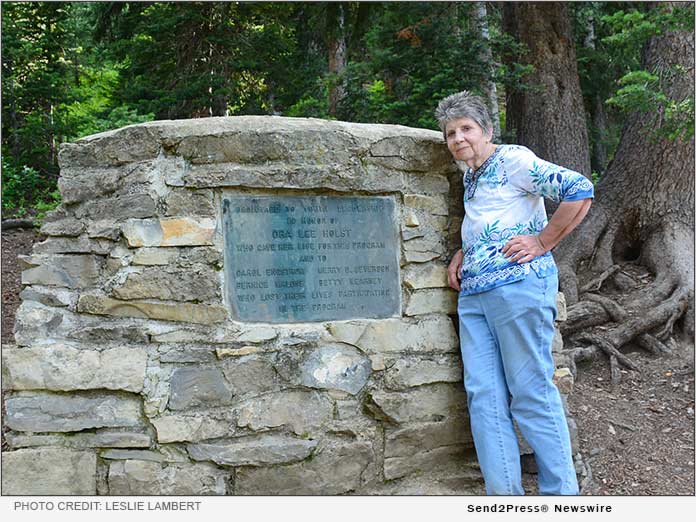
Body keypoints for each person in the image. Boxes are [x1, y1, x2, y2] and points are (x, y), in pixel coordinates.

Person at [434, 91, 594, 495]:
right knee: (484, 397)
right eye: (450, 133)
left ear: (487, 130)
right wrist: (464, 251)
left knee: (530, 392)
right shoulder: (471, 175)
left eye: (466, 129)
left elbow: (579, 189)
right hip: (473, 296)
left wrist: (543, 241)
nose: (458, 139)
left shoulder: (513, 160)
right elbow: (493, 219)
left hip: (518, 288)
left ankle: (562, 499)